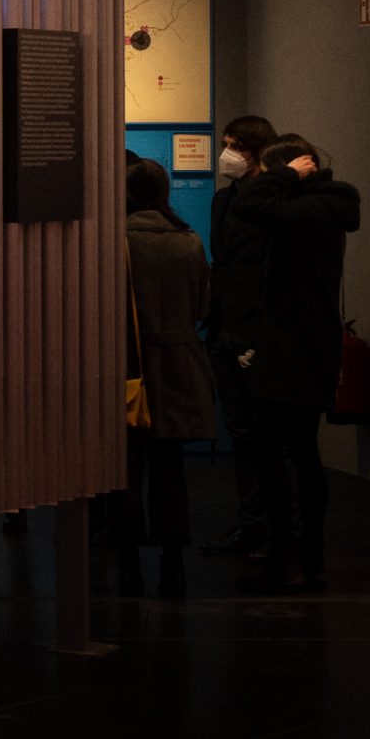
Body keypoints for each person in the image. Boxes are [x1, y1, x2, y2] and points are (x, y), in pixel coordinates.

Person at [225, 135, 360, 591]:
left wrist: (284, 175)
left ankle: (295, 553)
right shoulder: (322, 207)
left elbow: (250, 206)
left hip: (294, 349)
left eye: (268, 169)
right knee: (297, 451)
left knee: (285, 452)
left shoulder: (312, 209)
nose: (261, 177)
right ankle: (303, 552)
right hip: (303, 346)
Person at [119, 155, 219, 597]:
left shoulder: (116, 242)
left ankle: (127, 565)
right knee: (170, 470)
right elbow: (202, 307)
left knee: (124, 468)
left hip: (128, 366)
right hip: (178, 365)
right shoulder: (189, 241)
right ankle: (173, 562)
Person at [202, 114, 277, 559]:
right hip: (226, 327)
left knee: (265, 433)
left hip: (254, 329)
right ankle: (253, 523)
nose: (226, 153)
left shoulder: (271, 203)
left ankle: (272, 526)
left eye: (234, 145)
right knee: (241, 431)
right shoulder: (222, 200)